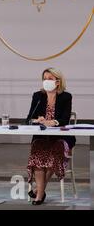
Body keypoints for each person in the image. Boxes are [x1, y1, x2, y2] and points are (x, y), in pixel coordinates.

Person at [26, 68, 75, 205]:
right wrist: (38, 120)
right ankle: (40, 193)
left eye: (50, 78)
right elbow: (29, 119)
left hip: (60, 137)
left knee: (54, 154)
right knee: (37, 155)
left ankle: (39, 193)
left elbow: (65, 119)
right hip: (41, 137)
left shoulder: (66, 97)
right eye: (44, 78)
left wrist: (52, 122)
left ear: (58, 82)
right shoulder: (38, 96)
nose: (46, 81)